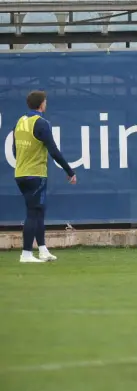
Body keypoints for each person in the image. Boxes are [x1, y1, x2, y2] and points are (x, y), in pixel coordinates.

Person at [12, 90, 76, 263]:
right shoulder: (41, 123)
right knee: (33, 213)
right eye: (45, 101)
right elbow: (53, 151)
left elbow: (14, 150)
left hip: (21, 173)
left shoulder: (20, 122)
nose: (46, 104)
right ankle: (26, 254)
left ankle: (42, 250)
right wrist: (69, 171)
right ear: (41, 104)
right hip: (36, 174)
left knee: (38, 211)